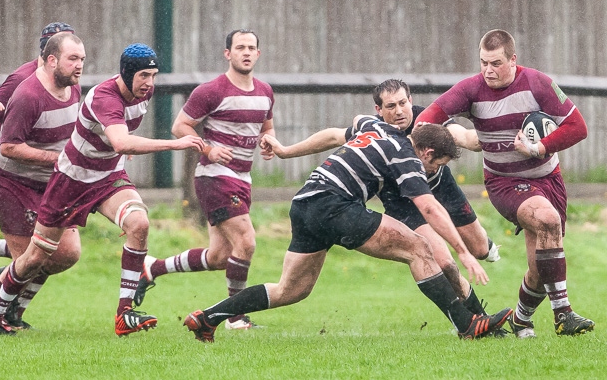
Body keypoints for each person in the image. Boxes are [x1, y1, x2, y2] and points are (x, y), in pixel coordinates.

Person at [182, 119, 513, 343]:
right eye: (437, 165)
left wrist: (287, 151)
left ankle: (208, 317)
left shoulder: (375, 125)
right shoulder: (408, 158)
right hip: (333, 203)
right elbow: (429, 208)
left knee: (291, 290)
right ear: (427, 152)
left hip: (305, 202)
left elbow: (340, 130)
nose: (433, 171)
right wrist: (464, 252)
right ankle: (466, 324)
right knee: (419, 248)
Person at [0, 43, 205, 337]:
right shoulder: (100, 96)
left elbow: (117, 139)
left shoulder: (140, 93)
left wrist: (121, 142)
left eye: (154, 75)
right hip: (70, 181)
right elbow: (121, 141)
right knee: (35, 258)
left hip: (107, 177)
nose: (150, 83)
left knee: (139, 222)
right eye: (144, 75)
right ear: (126, 73)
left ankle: (124, 313)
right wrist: (174, 143)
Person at [261, 79, 503, 332]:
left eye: (402, 103)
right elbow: (333, 136)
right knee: (444, 261)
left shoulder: (428, 118)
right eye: (390, 106)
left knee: (478, 248)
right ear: (379, 110)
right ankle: (480, 321)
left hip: (440, 186)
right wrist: (285, 151)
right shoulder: (375, 129)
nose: (399, 111)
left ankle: (485, 249)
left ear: (411, 100)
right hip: (403, 199)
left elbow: (465, 137)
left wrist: (495, 134)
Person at [415, 29, 595, 338]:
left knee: (541, 267)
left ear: (513, 60)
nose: (488, 70)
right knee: (548, 220)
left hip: (548, 178)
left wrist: (539, 147)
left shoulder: (538, 84)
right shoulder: (471, 89)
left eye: (496, 63)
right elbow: (429, 117)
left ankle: (522, 320)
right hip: (504, 182)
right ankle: (563, 314)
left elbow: (578, 127)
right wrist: (426, 141)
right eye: (483, 62)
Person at [134, 29, 275, 330]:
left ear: (258, 54)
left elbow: (267, 128)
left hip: (243, 178)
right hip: (215, 177)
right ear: (228, 53)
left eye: (252, 47)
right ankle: (235, 318)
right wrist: (208, 149)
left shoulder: (265, 91)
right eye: (240, 47)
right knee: (246, 243)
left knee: (221, 256)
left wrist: (268, 141)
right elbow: (179, 126)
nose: (246, 52)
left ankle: (152, 267)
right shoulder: (212, 90)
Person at [0, 32, 85, 335]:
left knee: (67, 253)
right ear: (51, 57)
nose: (79, 65)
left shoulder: (73, 86)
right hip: (14, 182)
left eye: (81, 58)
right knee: (31, 258)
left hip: (52, 181)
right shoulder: (26, 90)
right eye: (73, 58)